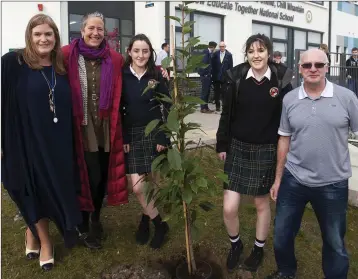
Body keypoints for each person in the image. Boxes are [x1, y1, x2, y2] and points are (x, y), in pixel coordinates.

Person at [265, 48, 358, 279]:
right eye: (307, 65)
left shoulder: (347, 98)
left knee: (335, 242)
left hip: (333, 183)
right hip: (294, 178)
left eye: (319, 64)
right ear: (300, 68)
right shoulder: (290, 99)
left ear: (327, 67)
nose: (313, 69)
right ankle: (286, 272)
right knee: (281, 234)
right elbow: (284, 138)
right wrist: (278, 179)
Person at [1, 14, 83, 271]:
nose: (43, 39)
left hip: (57, 143)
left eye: (48, 34)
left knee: (50, 190)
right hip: (24, 141)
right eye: (38, 34)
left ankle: (31, 231)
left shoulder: (60, 67)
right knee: (27, 187)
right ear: (29, 36)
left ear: (56, 38)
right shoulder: (13, 63)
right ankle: (45, 241)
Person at [216, 33, 293, 273]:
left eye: (260, 50)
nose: (256, 55)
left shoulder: (280, 81)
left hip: (266, 150)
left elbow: (288, 119)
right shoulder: (237, 78)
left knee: (261, 204)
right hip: (238, 148)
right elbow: (226, 114)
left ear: (269, 53)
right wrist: (222, 144)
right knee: (229, 207)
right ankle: (236, 244)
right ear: (246, 54)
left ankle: (259, 248)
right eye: (251, 51)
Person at [62, 11, 128, 250]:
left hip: (105, 127)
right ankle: (82, 221)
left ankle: (96, 218)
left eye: (100, 29)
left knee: (100, 177)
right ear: (82, 31)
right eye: (91, 28)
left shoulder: (115, 59)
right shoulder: (67, 55)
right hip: (80, 127)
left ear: (105, 33)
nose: (95, 33)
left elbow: (135, 73)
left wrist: (158, 73)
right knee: (85, 176)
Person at [121, 34, 170, 249]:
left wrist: (163, 135)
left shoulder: (156, 75)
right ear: (129, 52)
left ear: (151, 53)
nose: (141, 55)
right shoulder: (121, 76)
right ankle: (160, 224)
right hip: (132, 135)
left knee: (152, 183)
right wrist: (123, 136)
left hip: (154, 133)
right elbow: (118, 110)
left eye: (145, 51)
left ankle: (145, 219)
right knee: (139, 188)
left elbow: (167, 106)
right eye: (137, 51)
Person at [211, 41, 233, 111]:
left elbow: (230, 67)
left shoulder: (229, 55)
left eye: (223, 46)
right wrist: (212, 74)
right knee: (216, 92)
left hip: (225, 77)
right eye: (220, 46)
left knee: (224, 92)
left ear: (225, 46)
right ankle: (217, 106)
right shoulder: (215, 54)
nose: (221, 48)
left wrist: (230, 77)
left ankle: (224, 106)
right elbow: (212, 65)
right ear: (219, 47)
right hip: (216, 76)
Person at [198, 41, 217, 113]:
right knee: (204, 92)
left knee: (207, 92)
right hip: (205, 76)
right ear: (213, 47)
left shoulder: (208, 52)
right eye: (214, 48)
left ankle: (206, 107)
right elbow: (204, 64)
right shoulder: (205, 53)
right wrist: (205, 74)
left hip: (208, 76)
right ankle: (203, 108)